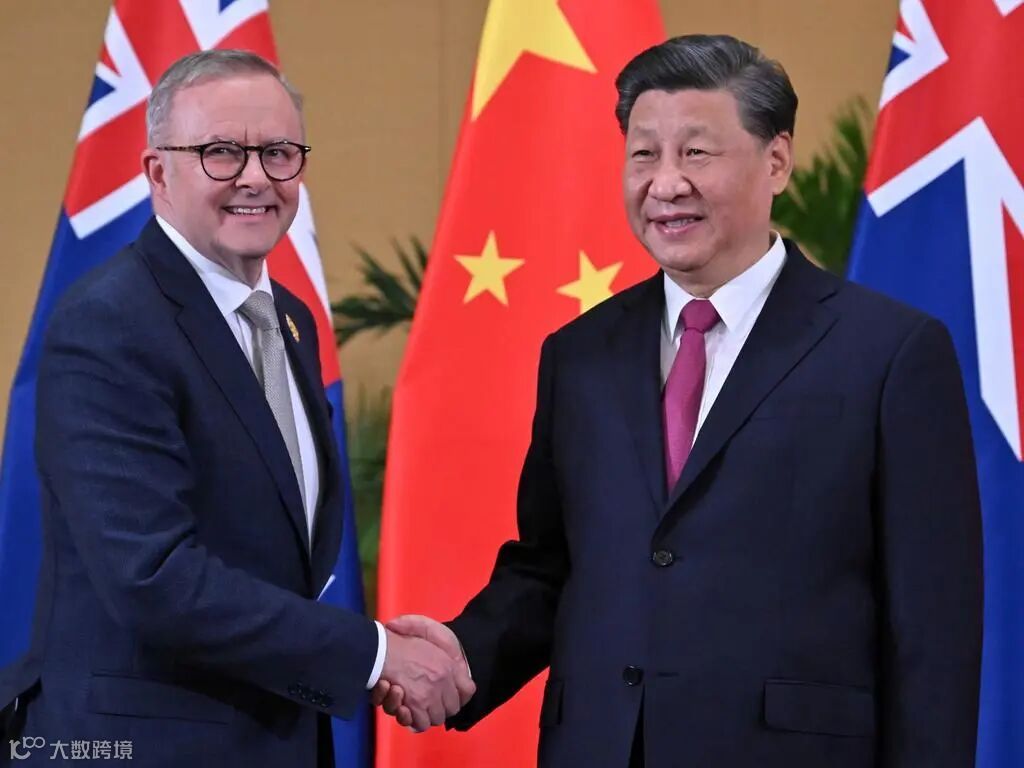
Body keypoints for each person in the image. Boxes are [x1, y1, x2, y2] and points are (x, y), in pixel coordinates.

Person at [379, 34, 983, 767]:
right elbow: (554, 566)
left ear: (777, 160)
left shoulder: (889, 352)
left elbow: (933, 625)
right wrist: (465, 655)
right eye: (644, 154)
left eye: (696, 153)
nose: (665, 183)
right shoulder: (580, 355)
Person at [0, 50, 471, 767]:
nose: (256, 177)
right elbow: (154, 578)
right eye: (221, 152)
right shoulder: (109, 323)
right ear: (158, 173)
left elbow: (274, 557)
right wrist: (375, 654)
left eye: (278, 152)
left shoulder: (291, 321)